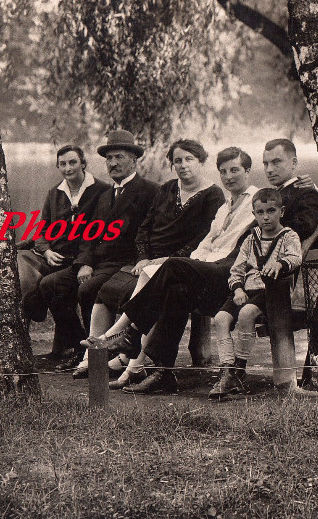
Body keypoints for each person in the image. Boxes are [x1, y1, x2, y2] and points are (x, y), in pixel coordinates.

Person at [88, 138, 318, 394]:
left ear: (294, 163)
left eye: (276, 162)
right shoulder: (266, 195)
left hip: (249, 278)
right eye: (266, 163)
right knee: (175, 289)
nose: (270, 168)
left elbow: (305, 226)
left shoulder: (302, 192)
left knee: (173, 266)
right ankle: (163, 372)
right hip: (228, 270)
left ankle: (129, 332)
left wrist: (278, 213)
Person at [69, 139, 224, 378]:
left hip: (179, 265)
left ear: (201, 161)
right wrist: (143, 258)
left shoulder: (213, 195)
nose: (183, 166)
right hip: (146, 263)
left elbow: (203, 239)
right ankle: (94, 358)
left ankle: (129, 361)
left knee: (150, 292)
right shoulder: (167, 189)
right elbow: (144, 227)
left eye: (189, 159)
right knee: (105, 292)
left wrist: (163, 260)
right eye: (177, 161)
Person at [33, 130, 159, 367]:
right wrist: (85, 263)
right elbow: (89, 236)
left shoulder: (149, 191)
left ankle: (101, 351)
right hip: (98, 262)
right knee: (50, 284)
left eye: (119, 157)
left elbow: (152, 232)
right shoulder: (105, 194)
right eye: (109, 159)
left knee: (87, 290)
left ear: (134, 159)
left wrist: (143, 259)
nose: (113, 163)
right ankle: (83, 344)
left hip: (125, 263)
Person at [209, 188, 303, 399]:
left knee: (246, 313)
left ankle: (239, 370)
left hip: (270, 292)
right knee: (221, 318)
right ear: (254, 214)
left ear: (282, 211)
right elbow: (236, 271)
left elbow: (296, 257)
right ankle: (227, 370)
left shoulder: (288, 236)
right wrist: (238, 289)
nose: (266, 217)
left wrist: (280, 263)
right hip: (247, 290)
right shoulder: (250, 240)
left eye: (271, 211)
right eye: (260, 212)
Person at [17, 145, 109, 360]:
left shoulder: (101, 191)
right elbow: (42, 230)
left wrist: (86, 261)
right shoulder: (55, 192)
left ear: (83, 164)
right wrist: (46, 250)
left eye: (72, 162)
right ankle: (72, 344)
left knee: (51, 287)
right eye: (63, 164)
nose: (68, 168)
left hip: (82, 260)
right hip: (55, 256)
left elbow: (101, 233)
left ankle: (77, 345)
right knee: (24, 264)